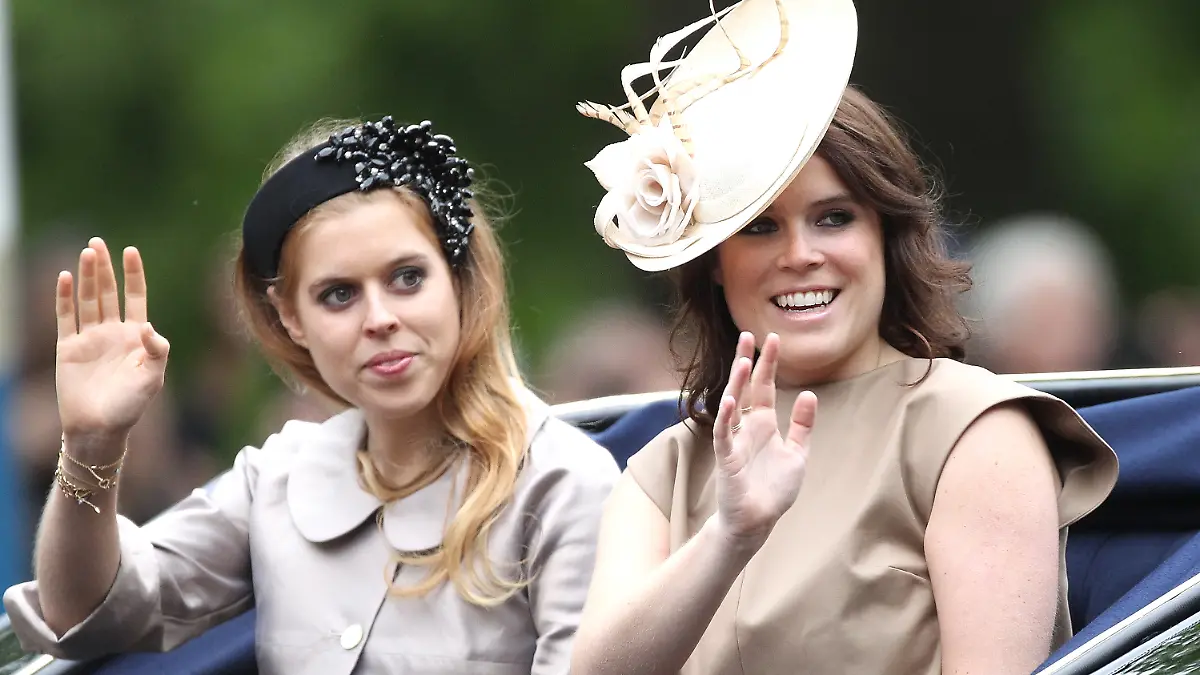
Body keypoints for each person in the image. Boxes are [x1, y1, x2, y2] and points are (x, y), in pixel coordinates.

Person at [568, 1, 1119, 674]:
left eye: (834, 218)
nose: (800, 254)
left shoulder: (974, 432)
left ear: (886, 236)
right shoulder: (665, 468)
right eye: (760, 227)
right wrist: (730, 535)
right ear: (714, 264)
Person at [2, 115, 619, 675]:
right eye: (338, 294)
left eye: (408, 278)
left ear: (458, 280)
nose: (379, 318)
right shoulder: (277, 481)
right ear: (289, 316)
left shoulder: (561, 482)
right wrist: (92, 445)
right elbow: (83, 612)